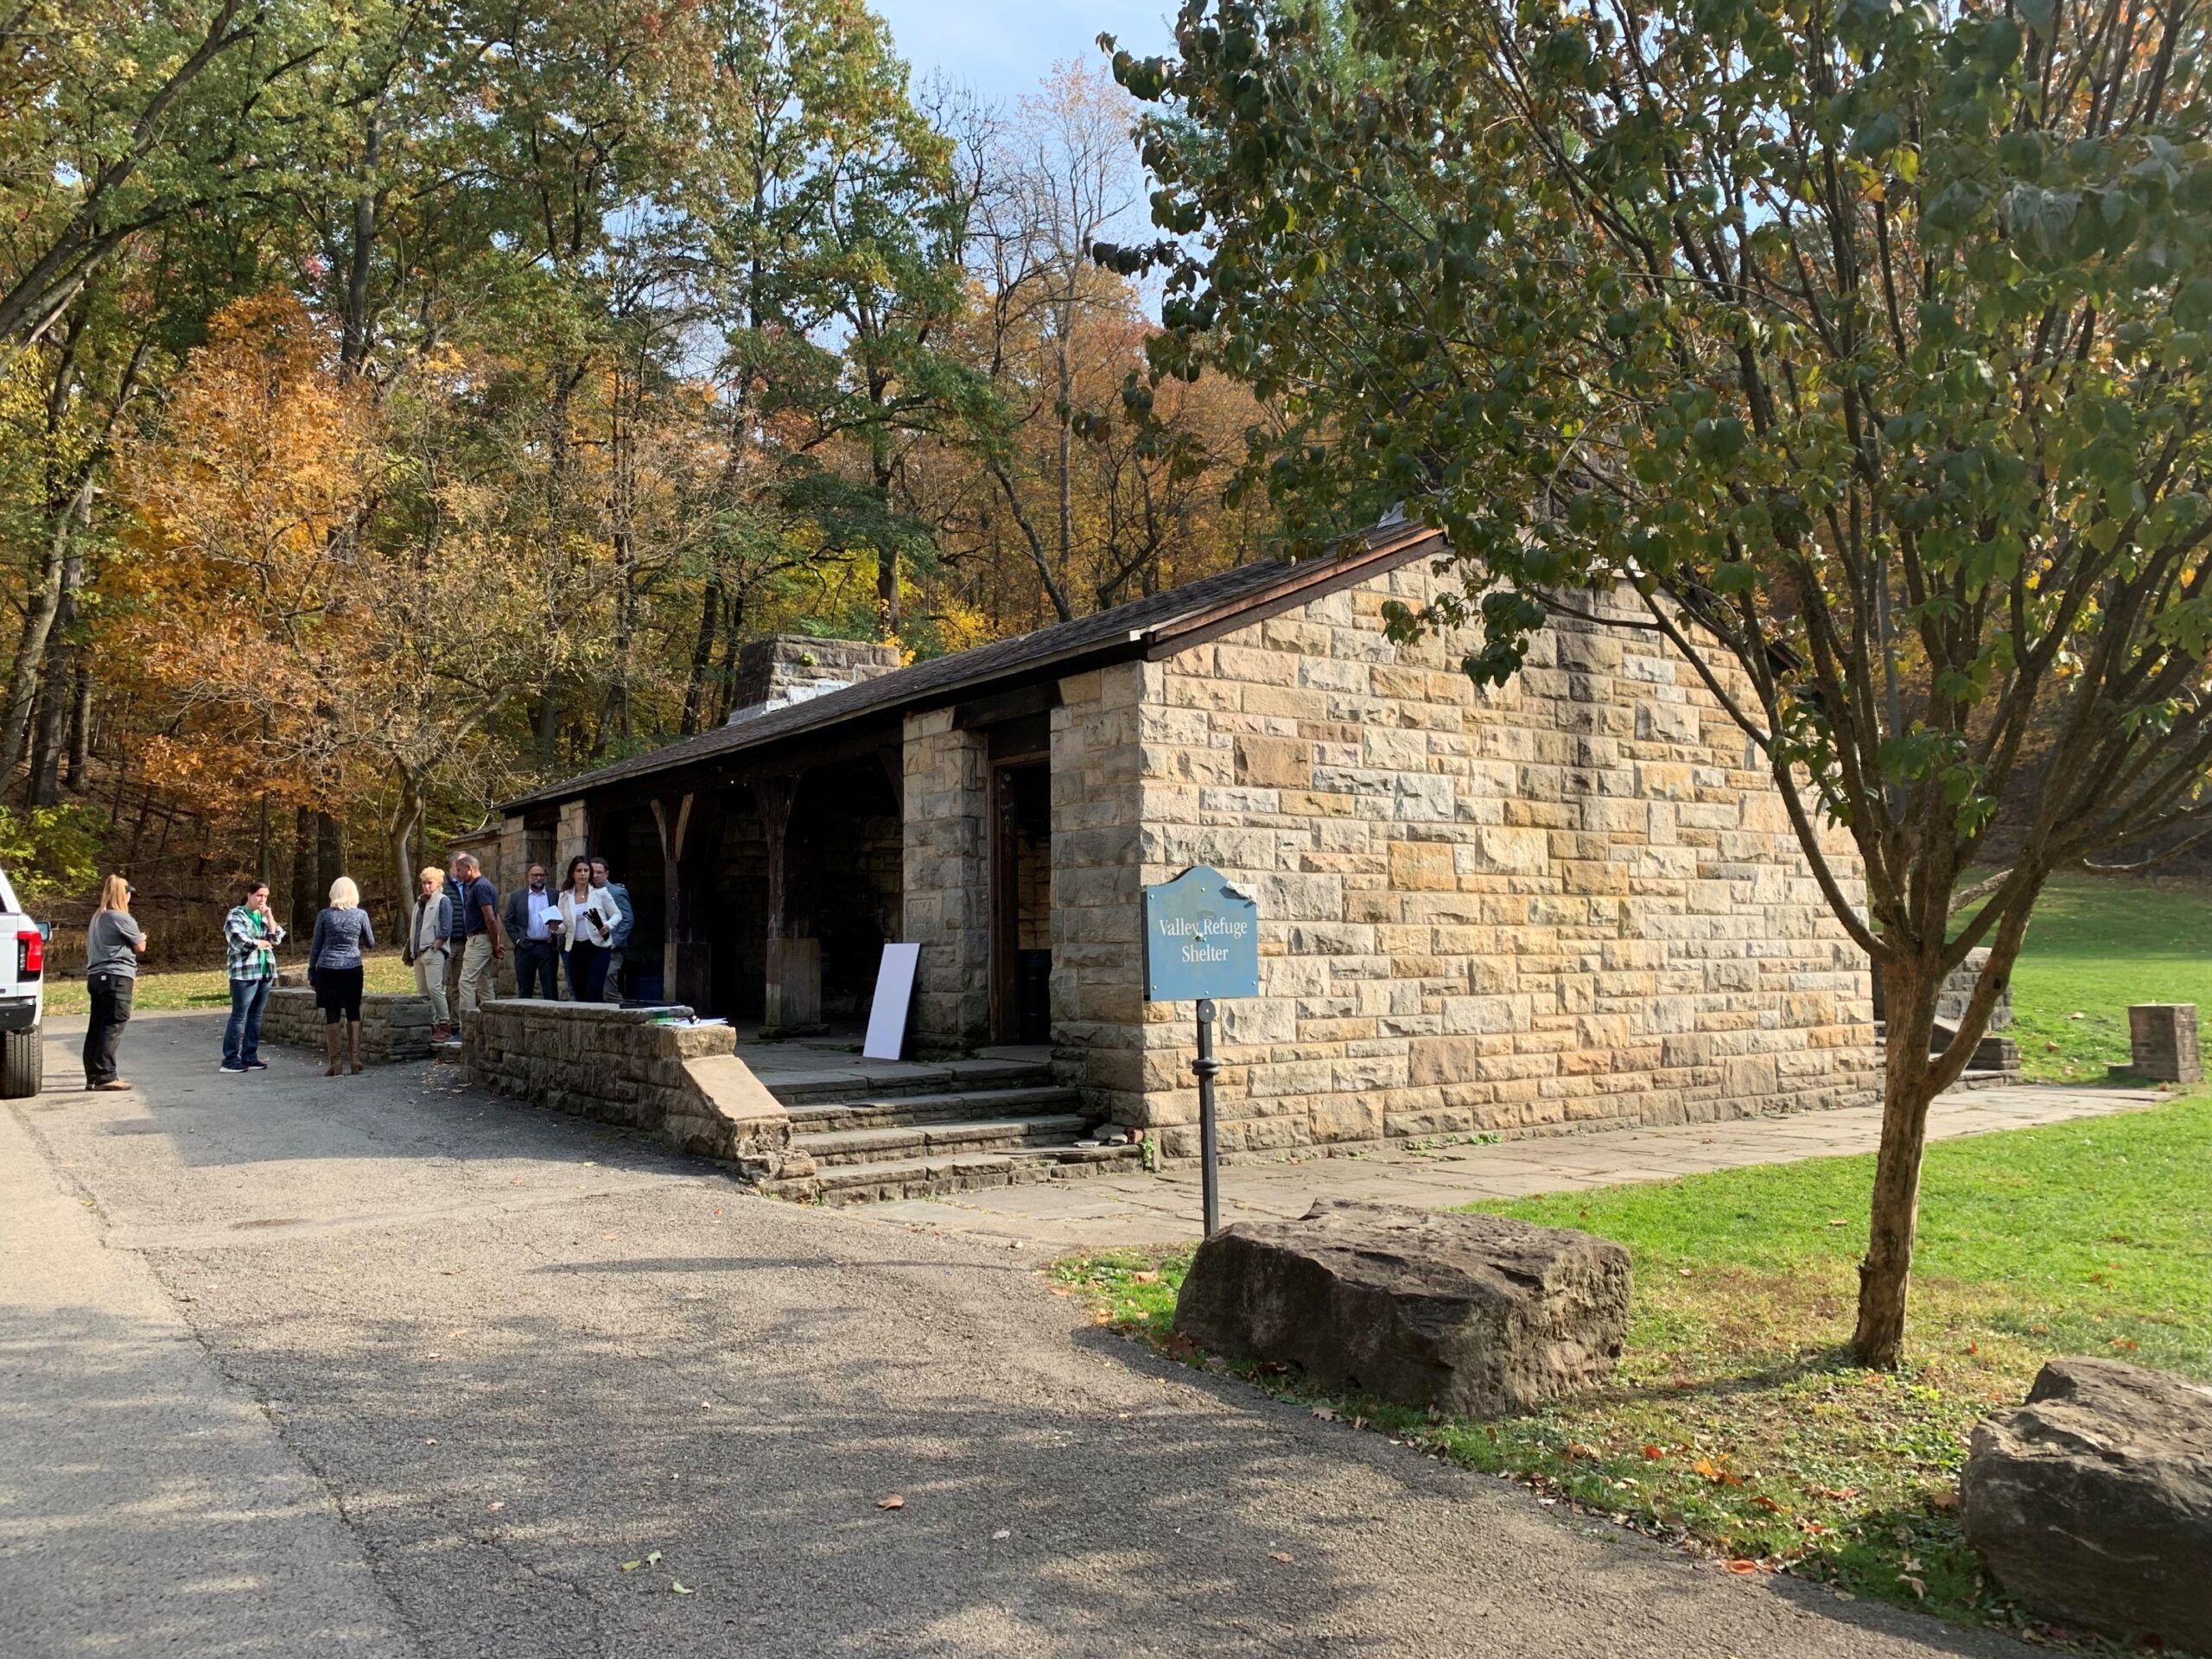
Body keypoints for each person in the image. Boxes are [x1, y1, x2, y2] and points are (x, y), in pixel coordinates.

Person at [83, 874, 145, 1090]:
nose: (130, 898)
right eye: (129, 894)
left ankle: (92, 1075)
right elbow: (140, 946)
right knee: (114, 1024)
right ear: (123, 895)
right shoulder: (121, 917)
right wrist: (142, 937)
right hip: (116, 976)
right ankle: (106, 1076)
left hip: (96, 976)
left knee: (97, 1026)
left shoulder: (98, 917)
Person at [308, 876, 376, 1075]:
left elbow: (316, 945)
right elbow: (370, 942)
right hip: (352, 966)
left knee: (332, 1011)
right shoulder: (361, 915)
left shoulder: (324, 915)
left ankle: (335, 1062)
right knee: (353, 1009)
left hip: (327, 968)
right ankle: (355, 1059)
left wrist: (311, 970)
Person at [220, 880, 285, 1073]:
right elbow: (240, 942)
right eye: (259, 895)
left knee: (256, 1017)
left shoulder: (263, 916)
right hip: (244, 973)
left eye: (265, 896)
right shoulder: (236, 915)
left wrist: (270, 916)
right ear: (249, 895)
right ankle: (230, 1059)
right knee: (239, 1015)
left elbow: (277, 938)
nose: (262, 900)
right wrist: (262, 942)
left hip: (265, 971)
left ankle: (250, 1056)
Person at [553, 855, 620, 1003]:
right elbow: (564, 926)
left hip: (598, 946)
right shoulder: (564, 896)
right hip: (575, 947)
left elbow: (617, 914)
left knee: (595, 988)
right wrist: (555, 927)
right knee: (578, 990)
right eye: (579, 871)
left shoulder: (600, 893)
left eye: (585, 870)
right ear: (573, 873)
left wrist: (607, 926)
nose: (583, 874)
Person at [402, 866, 452, 1039]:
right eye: (424, 883)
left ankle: (445, 1023)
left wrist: (435, 946)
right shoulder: (420, 902)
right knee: (423, 991)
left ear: (438, 883)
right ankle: (431, 1024)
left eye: (430, 883)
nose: (426, 886)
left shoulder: (443, 900)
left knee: (434, 989)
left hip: (433, 951)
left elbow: (446, 928)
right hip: (418, 953)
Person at [450, 852, 501, 1018]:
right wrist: (495, 941)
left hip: (479, 939)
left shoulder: (480, 887)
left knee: (465, 982)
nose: (457, 874)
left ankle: (467, 1025)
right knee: (484, 983)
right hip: (480, 938)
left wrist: (495, 944)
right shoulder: (480, 886)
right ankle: (492, 1022)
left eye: (459, 870)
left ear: (469, 869)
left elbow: (491, 918)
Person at [501, 864, 558, 999]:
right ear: (528, 877)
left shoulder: (555, 895)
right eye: (535, 875)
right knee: (525, 989)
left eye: (541, 875)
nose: (538, 878)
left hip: (547, 947)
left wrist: (555, 937)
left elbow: (563, 919)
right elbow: (509, 921)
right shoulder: (517, 896)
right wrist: (518, 940)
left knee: (550, 988)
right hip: (525, 947)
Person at [590, 857, 633, 1004]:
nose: (595, 875)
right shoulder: (586, 893)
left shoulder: (616, 892)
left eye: (599, 872)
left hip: (611, 950)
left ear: (606, 874)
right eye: (592, 872)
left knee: (609, 988)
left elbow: (627, 919)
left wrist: (615, 941)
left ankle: (625, 1018)